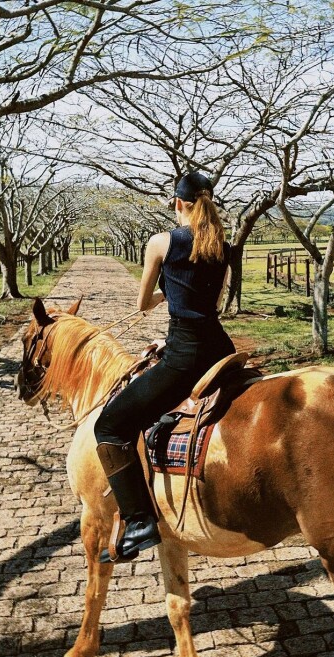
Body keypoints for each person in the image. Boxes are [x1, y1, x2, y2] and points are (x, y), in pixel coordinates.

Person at [94, 171, 236, 563]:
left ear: (178, 202)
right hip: (220, 347)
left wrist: (163, 299)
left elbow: (143, 303)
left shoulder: (161, 242)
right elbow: (211, 302)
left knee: (110, 425)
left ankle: (140, 522)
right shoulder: (223, 243)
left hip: (186, 355)